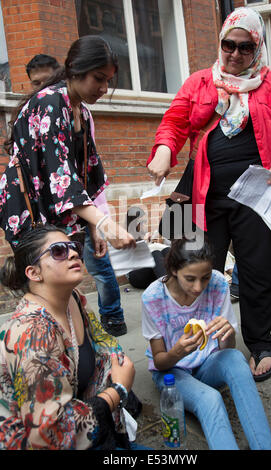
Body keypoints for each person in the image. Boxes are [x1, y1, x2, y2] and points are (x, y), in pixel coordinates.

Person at [146, 8, 271, 381]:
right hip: (205, 196)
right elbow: (175, 121)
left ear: (257, 47)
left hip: (256, 197)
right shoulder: (200, 82)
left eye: (244, 48)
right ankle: (200, 342)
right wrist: (165, 150)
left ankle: (260, 343)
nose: (234, 54)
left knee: (257, 272)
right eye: (228, 44)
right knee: (202, 271)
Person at [1, 36, 136, 336]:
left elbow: (85, 176)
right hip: (30, 212)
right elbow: (60, 177)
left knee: (65, 287)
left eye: (108, 81)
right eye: (98, 79)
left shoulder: (81, 111)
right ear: (75, 69)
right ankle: (47, 357)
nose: (103, 88)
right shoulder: (50, 101)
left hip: (58, 214)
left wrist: (94, 228)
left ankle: (80, 357)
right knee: (48, 292)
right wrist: (104, 223)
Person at [0, 224, 143, 450]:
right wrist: (118, 390)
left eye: (73, 246)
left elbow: (105, 343)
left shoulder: (73, 298)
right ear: (33, 272)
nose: (75, 253)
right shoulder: (31, 333)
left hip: (90, 430)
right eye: (59, 251)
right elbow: (47, 435)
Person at [141, 238, 271, 450]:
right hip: (172, 372)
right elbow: (160, 362)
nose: (198, 287)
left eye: (204, 278)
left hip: (207, 363)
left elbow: (228, 349)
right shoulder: (153, 298)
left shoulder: (217, 283)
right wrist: (176, 352)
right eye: (190, 278)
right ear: (175, 270)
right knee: (210, 399)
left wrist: (228, 333)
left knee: (236, 359)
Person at [126, 206, 170, 289]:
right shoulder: (125, 237)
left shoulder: (142, 234)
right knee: (155, 254)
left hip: (150, 275)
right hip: (136, 276)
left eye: (145, 222)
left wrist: (152, 242)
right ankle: (168, 288)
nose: (145, 225)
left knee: (166, 250)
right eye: (142, 222)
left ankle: (178, 281)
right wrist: (145, 243)